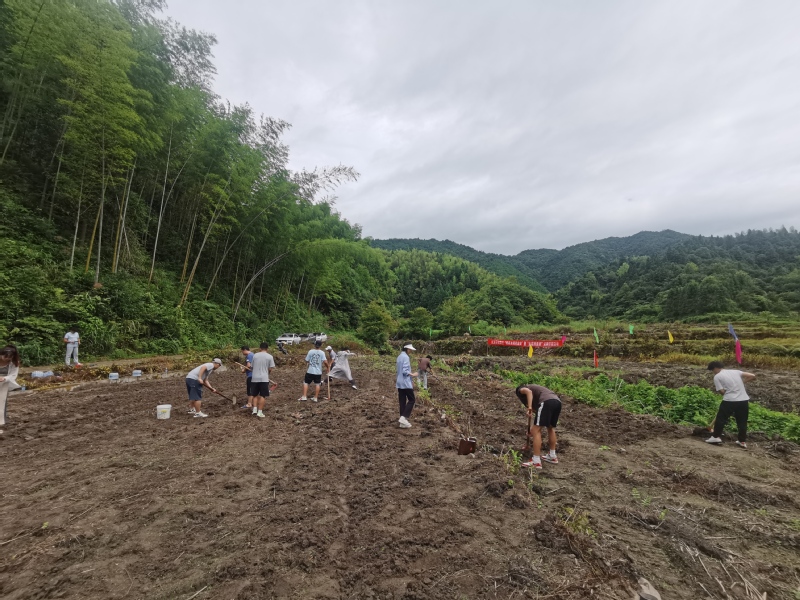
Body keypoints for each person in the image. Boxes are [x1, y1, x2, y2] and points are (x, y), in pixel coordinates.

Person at [705, 361, 755, 449]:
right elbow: (752, 375)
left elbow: (722, 392)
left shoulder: (717, 376)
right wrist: (741, 383)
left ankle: (716, 437)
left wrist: (728, 390)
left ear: (715, 368)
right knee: (742, 421)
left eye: (712, 370)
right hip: (743, 400)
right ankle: (742, 441)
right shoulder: (736, 372)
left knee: (721, 419)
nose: (713, 372)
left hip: (729, 400)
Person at [515, 384, 561, 470]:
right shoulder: (537, 393)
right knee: (550, 428)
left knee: (536, 431)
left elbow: (528, 392)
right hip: (557, 402)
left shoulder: (520, 389)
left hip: (546, 402)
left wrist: (529, 407)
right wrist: (532, 429)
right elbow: (540, 416)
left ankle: (536, 461)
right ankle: (552, 456)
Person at [250, 342, 276, 418]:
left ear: (260, 348)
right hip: (264, 378)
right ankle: (260, 412)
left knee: (254, 395)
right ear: (267, 349)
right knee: (263, 395)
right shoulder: (270, 356)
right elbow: (270, 368)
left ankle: (254, 410)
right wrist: (267, 373)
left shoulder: (255, 355)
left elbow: (252, 366)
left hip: (254, 378)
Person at [396, 343, 419, 428]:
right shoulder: (406, 357)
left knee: (402, 401)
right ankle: (403, 417)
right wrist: (413, 375)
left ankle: (402, 422)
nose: (411, 351)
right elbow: (405, 371)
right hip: (405, 382)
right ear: (407, 349)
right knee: (412, 400)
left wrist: (411, 380)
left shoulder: (399, 357)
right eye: (410, 350)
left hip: (399, 382)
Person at [0, 345, 21, 435]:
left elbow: (13, 375)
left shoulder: (14, 363)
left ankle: (0, 423)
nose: (6, 359)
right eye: (4, 356)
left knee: (1, 404)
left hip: (3, 384)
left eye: (9, 357)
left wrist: (5, 378)